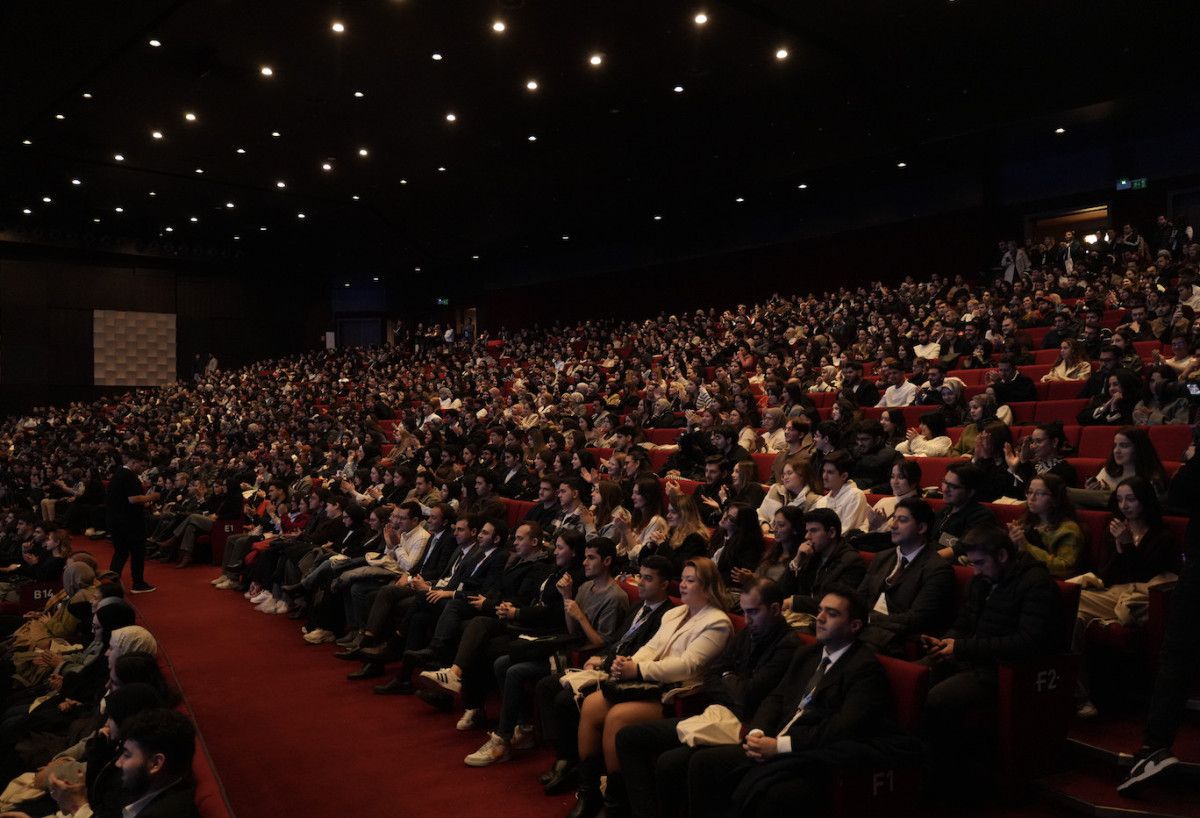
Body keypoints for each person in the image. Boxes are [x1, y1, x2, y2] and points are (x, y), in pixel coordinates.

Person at [683, 586, 900, 818]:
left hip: (810, 757)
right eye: (820, 610)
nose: (820, 618)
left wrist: (780, 746)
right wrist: (758, 731)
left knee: (772, 796)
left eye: (832, 613)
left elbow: (843, 727)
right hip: (774, 738)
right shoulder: (808, 654)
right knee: (703, 763)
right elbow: (776, 698)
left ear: (854, 625)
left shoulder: (864, 668)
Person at [613, 579, 802, 818]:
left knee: (670, 762)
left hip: (744, 725)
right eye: (744, 612)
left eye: (753, 612)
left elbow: (749, 696)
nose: (747, 619)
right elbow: (712, 676)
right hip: (716, 713)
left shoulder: (788, 646)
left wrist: (728, 677)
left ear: (775, 609)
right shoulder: (749, 633)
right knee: (628, 737)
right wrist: (730, 680)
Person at [565, 557, 732, 818]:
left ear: (708, 586)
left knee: (617, 717)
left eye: (690, 580)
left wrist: (638, 670)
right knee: (592, 704)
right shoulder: (675, 613)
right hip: (646, 684)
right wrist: (627, 662)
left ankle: (615, 803)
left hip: (677, 694)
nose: (683, 585)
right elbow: (651, 647)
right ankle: (589, 792)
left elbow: (688, 666)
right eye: (683, 579)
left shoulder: (717, 622)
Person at [921, 526, 1063, 774]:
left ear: (1002, 556)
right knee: (914, 677)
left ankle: (947, 773)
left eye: (980, 563)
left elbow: (1026, 643)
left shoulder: (1036, 583)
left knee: (938, 699)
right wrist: (946, 642)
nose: (974, 571)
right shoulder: (982, 580)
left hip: (1002, 671)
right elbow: (964, 624)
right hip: (973, 659)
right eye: (972, 563)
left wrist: (962, 648)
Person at [536, 555, 676, 795]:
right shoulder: (639, 606)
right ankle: (564, 757)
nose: (640, 583)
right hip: (607, 662)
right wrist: (600, 656)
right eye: (640, 577)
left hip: (624, 674)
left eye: (648, 579)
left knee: (564, 698)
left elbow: (641, 654)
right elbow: (618, 641)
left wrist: (604, 661)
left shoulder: (667, 616)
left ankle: (577, 765)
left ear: (664, 584)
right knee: (547, 686)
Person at [1074, 477, 1179, 718]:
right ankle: (1080, 697)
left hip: (1139, 596)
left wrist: (1128, 546)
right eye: (1120, 499)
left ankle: (1080, 698)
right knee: (1074, 616)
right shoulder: (1114, 530)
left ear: (1144, 500)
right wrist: (1119, 546)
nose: (1124, 505)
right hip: (1112, 592)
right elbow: (1107, 575)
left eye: (1131, 499)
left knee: (1071, 602)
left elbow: (1145, 575)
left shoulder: (1162, 536)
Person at [858, 497, 955, 656]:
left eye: (902, 520)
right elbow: (860, 597)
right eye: (894, 518)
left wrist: (868, 619)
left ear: (921, 528)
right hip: (865, 630)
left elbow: (916, 619)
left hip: (898, 641)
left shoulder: (937, 569)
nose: (893, 525)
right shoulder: (882, 557)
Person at [780, 508, 866, 627]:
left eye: (813, 531)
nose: (807, 536)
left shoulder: (851, 561)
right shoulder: (811, 554)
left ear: (832, 532)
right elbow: (782, 591)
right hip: (803, 617)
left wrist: (793, 602)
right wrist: (797, 561)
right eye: (807, 531)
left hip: (827, 623)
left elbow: (835, 602)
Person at [114, 708, 200, 818]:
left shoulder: (164, 812)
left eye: (127, 755)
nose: (118, 763)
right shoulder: (145, 786)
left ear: (155, 763)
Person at [1007, 474, 1085, 578]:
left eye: (1039, 494)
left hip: (1049, 581)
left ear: (1055, 498)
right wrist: (1013, 542)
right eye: (1029, 492)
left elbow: (1064, 568)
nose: (1032, 498)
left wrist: (1025, 545)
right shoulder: (1025, 522)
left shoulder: (1068, 529)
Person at [105, 450, 158, 594]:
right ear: (134, 462)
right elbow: (133, 499)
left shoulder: (118, 474)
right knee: (137, 553)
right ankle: (138, 583)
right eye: (142, 465)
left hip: (116, 520)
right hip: (130, 522)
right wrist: (152, 497)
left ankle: (112, 583)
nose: (144, 469)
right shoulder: (129, 476)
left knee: (120, 553)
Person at [933, 463, 1000, 561]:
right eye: (945, 482)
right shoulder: (946, 510)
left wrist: (925, 560)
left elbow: (963, 547)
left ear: (970, 492)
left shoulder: (981, 515)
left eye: (953, 486)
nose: (945, 489)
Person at [810, 450, 870, 534]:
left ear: (844, 476)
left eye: (830, 472)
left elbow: (846, 531)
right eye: (823, 471)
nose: (824, 477)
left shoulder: (855, 496)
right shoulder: (821, 501)